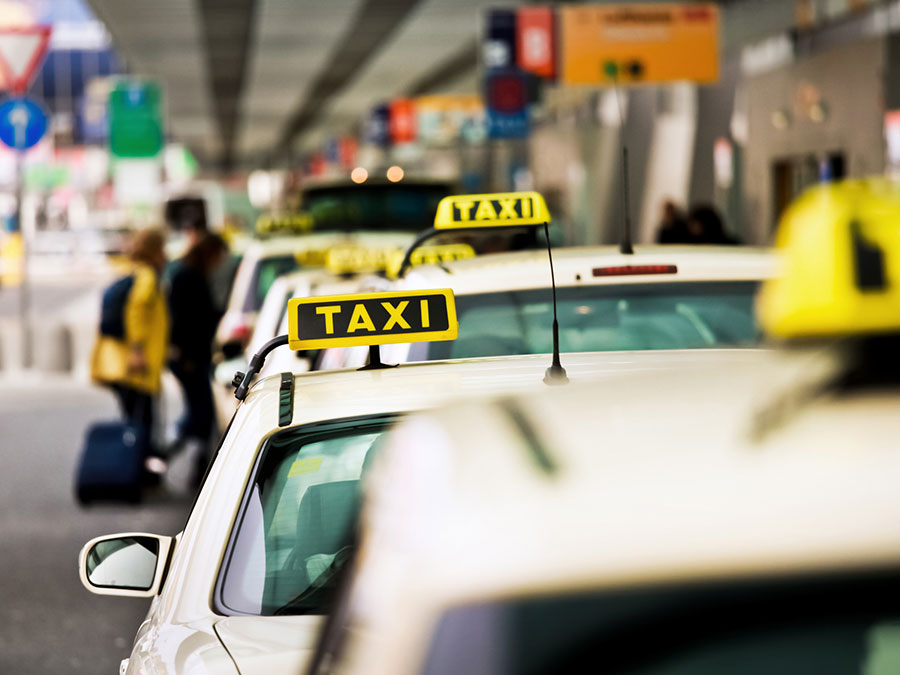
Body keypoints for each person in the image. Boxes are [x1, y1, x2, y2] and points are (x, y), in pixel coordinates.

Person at [90, 228, 169, 476]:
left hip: (119, 361)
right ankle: (134, 472)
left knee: (136, 421)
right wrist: (137, 351)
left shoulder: (131, 270)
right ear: (155, 251)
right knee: (141, 423)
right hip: (136, 365)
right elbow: (136, 311)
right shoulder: (147, 276)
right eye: (162, 249)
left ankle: (134, 470)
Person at [166, 232, 229, 484]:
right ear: (209, 253)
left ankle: (195, 463)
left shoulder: (190, 274)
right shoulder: (188, 276)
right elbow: (184, 320)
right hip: (189, 357)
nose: (220, 262)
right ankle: (162, 453)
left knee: (201, 413)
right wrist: (188, 356)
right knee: (200, 413)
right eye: (219, 256)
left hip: (192, 355)